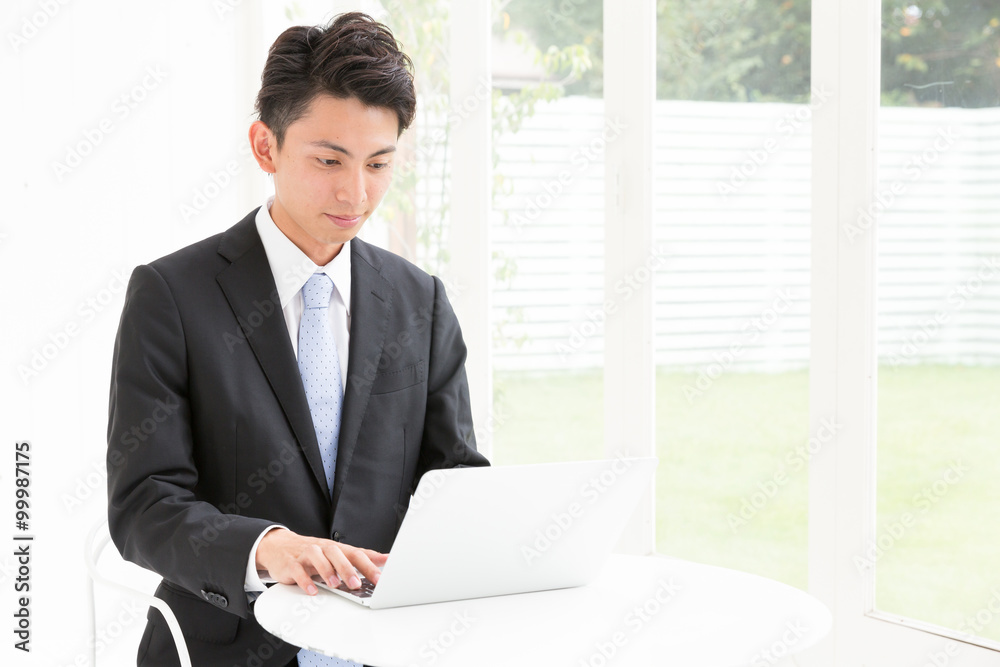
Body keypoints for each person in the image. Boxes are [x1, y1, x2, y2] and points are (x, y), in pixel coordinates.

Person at [106, 12, 489, 667]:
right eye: (329, 160)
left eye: (378, 163)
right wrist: (265, 547)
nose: (356, 192)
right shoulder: (171, 295)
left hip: (385, 650)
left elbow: (453, 481)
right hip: (222, 651)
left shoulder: (420, 301)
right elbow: (144, 504)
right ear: (265, 147)